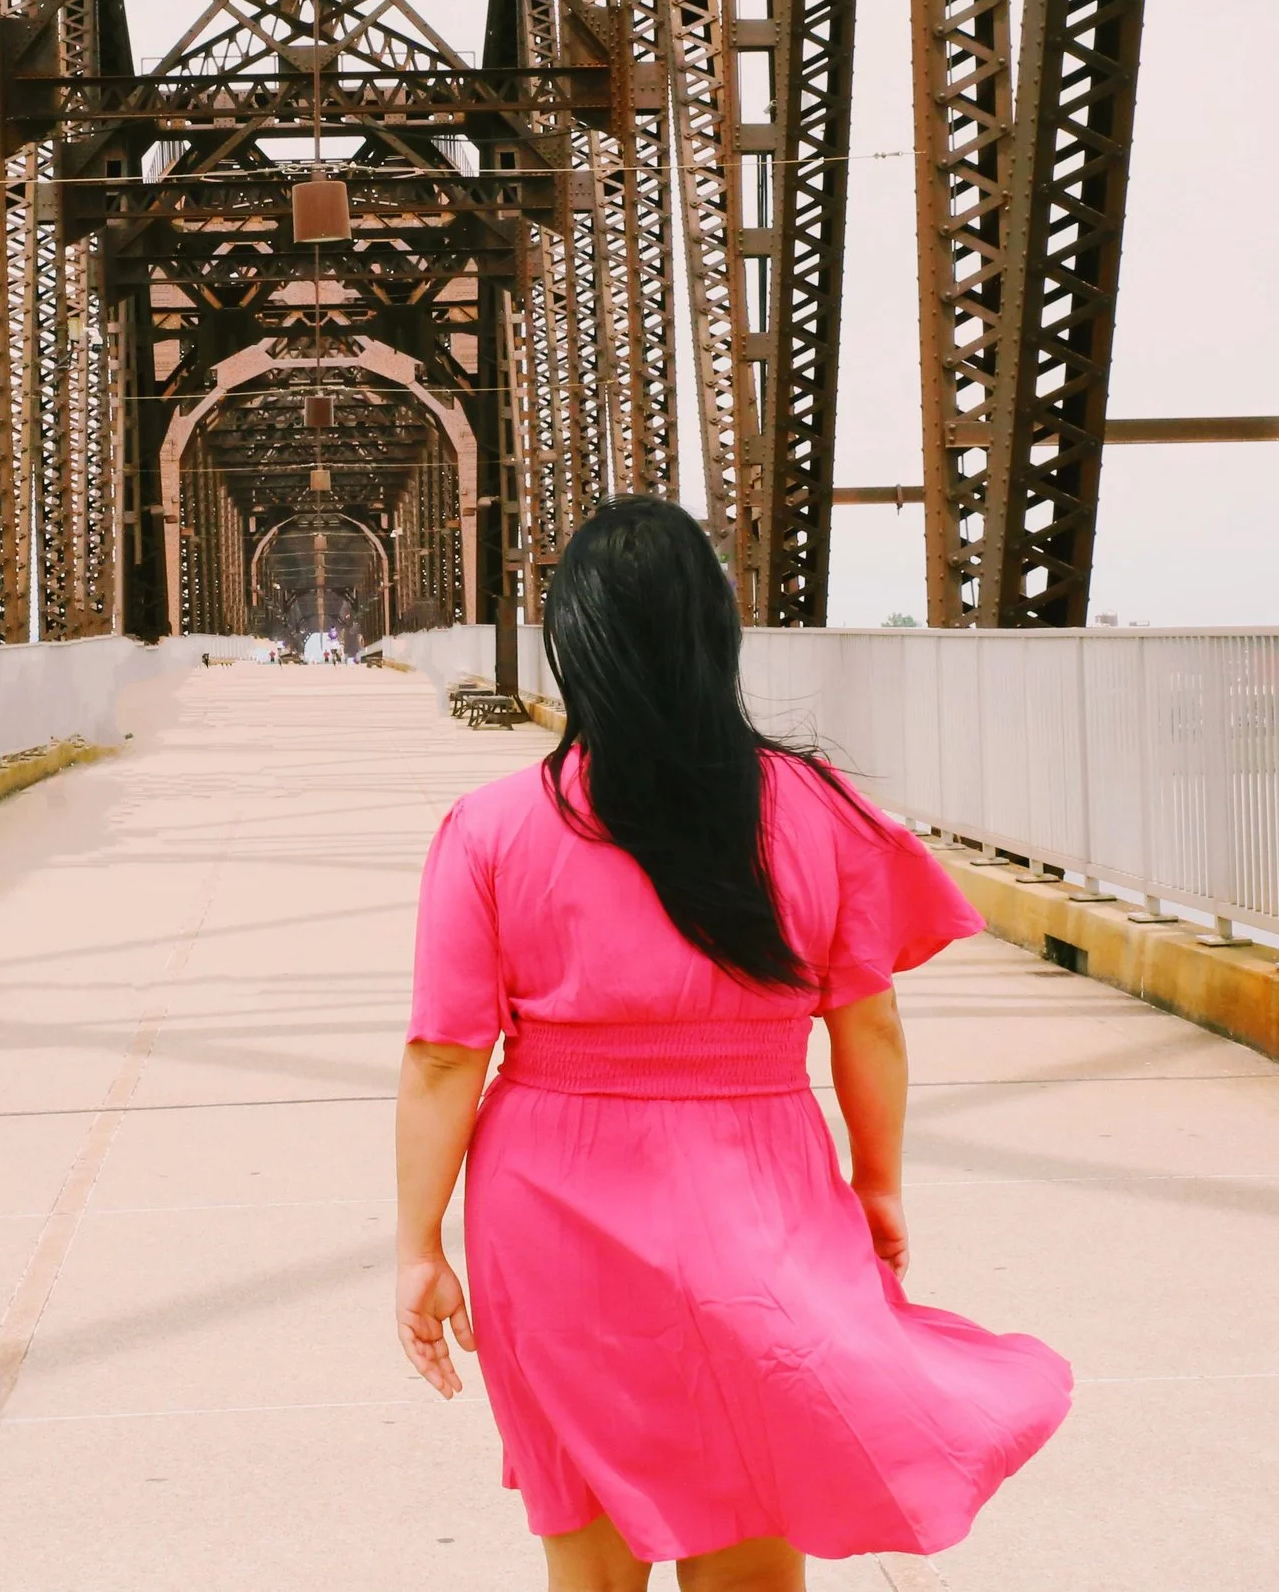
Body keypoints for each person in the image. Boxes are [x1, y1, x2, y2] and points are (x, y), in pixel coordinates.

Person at [394, 496, 1070, 1591]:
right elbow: (868, 1019)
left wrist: (418, 1244)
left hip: (550, 1201)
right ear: (717, 635)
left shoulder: (492, 829)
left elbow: (442, 1057)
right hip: (763, 1183)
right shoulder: (819, 810)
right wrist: (879, 1184)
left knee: (591, 1558)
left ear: (575, 647)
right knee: (755, 1525)